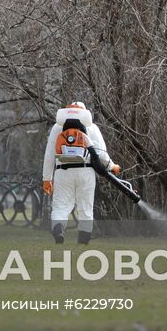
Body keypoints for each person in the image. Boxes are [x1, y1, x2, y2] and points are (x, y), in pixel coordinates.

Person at [41, 102, 122, 244]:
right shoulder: (92, 127)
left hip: (63, 170)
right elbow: (101, 154)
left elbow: (49, 155)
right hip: (85, 171)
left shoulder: (57, 128)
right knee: (85, 208)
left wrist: (47, 178)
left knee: (61, 206)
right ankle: (83, 241)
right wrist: (112, 166)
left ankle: (58, 229)